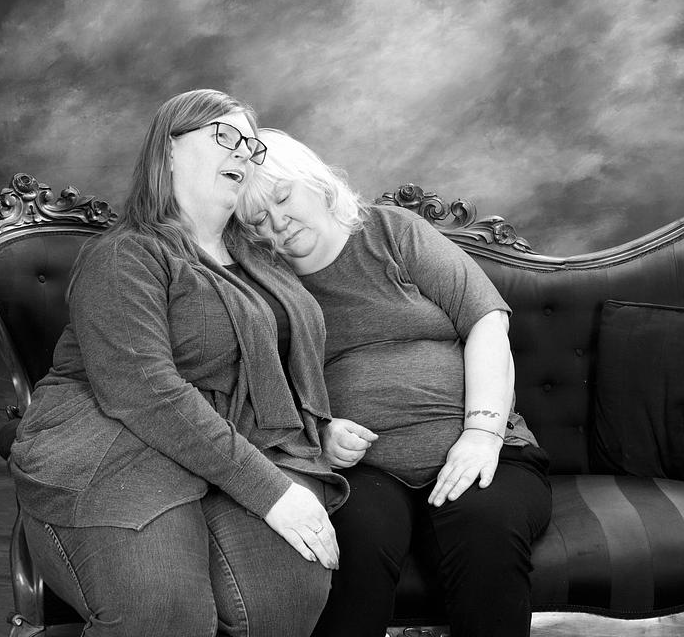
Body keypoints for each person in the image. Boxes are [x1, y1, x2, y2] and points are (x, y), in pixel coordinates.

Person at [7, 91, 349, 637]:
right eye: (225, 136)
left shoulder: (260, 256)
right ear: (169, 149)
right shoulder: (126, 254)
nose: (243, 152)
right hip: (119, 446)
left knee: (285, 595)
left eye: (252, 145)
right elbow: (144, 392)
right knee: (167, 613)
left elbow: (283, 356)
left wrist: (321, 425)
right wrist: (273, 492)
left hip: (234, 441)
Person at [236, 130, 552, 637]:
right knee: (350, 546)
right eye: (256, 219)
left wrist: (481, 433)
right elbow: (266, 388)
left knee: (484, 529)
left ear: (316, 181)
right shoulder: (263, 286)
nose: (277, 223)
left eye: (282, 197)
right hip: (363, 473)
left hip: (486, 449)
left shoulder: (390, 231)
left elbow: (487, 321)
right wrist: (322, 432)